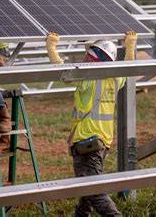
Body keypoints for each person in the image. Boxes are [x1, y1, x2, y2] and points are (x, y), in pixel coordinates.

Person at [46, 31, 138, 217]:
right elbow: (128, 67)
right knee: (87, 185)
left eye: (89, 55)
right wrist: (130, 46)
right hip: (102, 141)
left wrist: (51, 47)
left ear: (96, 58)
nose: (85, 57)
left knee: (92, 189)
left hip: (86, 141)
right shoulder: (115, 79)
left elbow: (63, 71)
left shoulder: (88, 78)